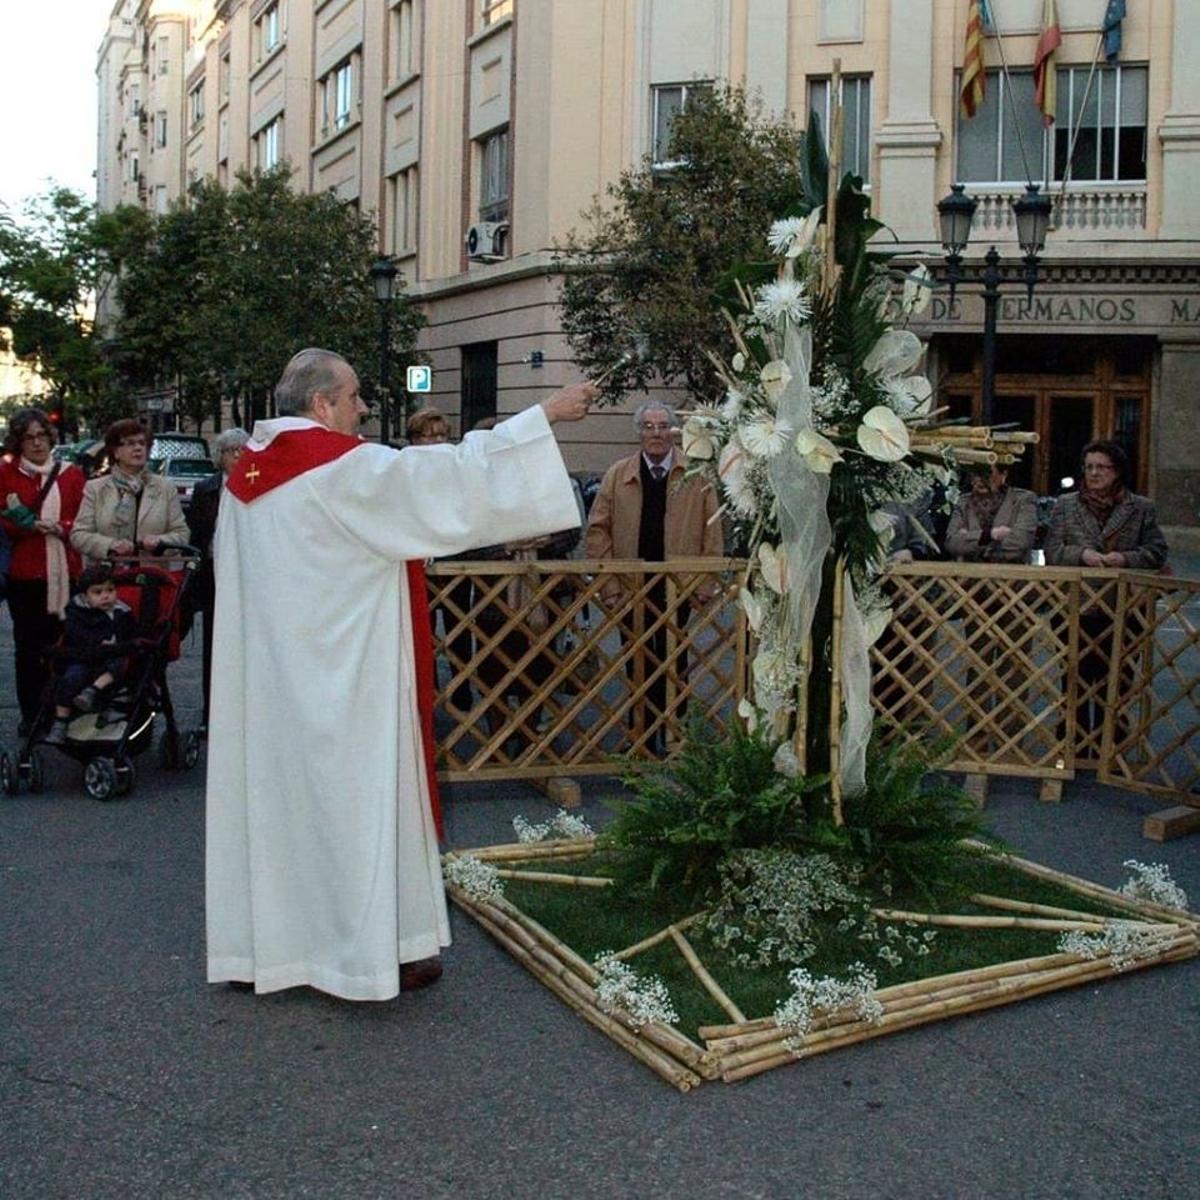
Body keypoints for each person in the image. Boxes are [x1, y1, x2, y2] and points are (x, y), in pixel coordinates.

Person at [206, 347, 595, 1000]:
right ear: (322, 404)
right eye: (355, 396)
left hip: (274, 685)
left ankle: (272, 949)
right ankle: (363, 957)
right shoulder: (336, 469)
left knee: (280, 812)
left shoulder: (247, 474)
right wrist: (542, 417)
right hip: (347, 680)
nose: (364, 408)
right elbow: (441, 478)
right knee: (356, 809)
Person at [585, 401, 723, 752]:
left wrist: (705, 581)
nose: (656, 433)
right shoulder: (618, 474)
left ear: (674, 432)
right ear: (640, 432)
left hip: (679, 585)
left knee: (675, 660)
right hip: (631, 585)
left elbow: (713, 530)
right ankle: (641, 737)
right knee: (637, 659)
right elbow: (598, 531)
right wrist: (609, 586)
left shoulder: (697, 473)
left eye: (663, 426)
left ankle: (676, 736)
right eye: (649, 426)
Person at [1044, 440, 1168, 736]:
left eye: (1101, 467)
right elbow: (1052, 550)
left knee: (1116, 680)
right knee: (1074, 677)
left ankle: (1110, 746)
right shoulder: (1065, 505)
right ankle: (1072, 743)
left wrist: (1125, 558)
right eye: (1089, 467)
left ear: (1117, 471)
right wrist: (1082, 555)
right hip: (1076, 605)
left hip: (1123, 608)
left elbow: (1157, 551)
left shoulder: (1141, 508)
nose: (1094, 473)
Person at [0, 407, 86, 732]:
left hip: (67, 572)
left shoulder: (71, 474)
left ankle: (61, 711)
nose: (37, 443)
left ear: (51, 439)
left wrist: (61, 526)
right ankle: (32, 714)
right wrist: (31, 526)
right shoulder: (6, 474)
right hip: (27, 577)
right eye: (28, 438)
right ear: (18, 443)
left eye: (41, 436)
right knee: (29, 650)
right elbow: (4, 522)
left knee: (66, 646)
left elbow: (82, 519)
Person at [185, 428, 250, 732]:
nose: (238, 455)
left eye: (242, 449)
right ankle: (212, 714)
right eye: (231, 450)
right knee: (214, 647)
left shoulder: (258, 484)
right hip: (214, 575)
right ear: (219, 456)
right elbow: (197, 534)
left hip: (251, 577)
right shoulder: (206, 489)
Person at [43, 564, 138, 746]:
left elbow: (131, 634)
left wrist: (122, 643)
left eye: (110, 590)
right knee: (70, 678)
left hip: (112, 658)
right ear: (85, 595)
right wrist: (97, 642)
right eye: (98, 592)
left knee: (121, 663)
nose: (106, 595)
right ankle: (60, 722)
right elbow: (74, 634)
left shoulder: (123, 612)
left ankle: (93, 690)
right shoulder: (78, 613)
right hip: (84, 657)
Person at [70, 419, 190, 563]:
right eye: (130, 443)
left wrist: (160, 541)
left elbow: (182, 534)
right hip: (107, 577)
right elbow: (79, 535)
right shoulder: (96, 488)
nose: (138, 448)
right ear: (116, 452)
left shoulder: (165, 488)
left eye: (142, 443)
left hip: (151, 577)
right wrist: (110, 545)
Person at [944, 463, 1037, 564]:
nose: (979, 479)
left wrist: (970, 541)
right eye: (975, 473)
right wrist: (989, 535)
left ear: (1003, 474)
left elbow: (1020, 543)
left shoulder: (1022, 500)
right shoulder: (964, 502)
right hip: (970, 576)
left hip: (1009, 575)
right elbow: (952, 543)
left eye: (987, 473)